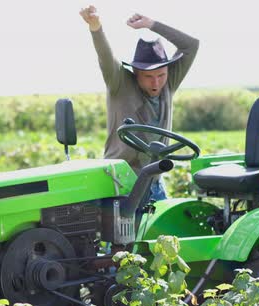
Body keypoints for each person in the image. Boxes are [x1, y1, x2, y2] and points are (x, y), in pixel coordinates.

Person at [79, 5, 199, 201]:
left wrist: (152, 24)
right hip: (121, 184)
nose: (156, 82)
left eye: (161, 75)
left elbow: (191, 45)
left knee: (164, 231)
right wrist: (96, 27)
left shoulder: (170, 82)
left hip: (155, 184)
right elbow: (106, 57)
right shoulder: (120, 83)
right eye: (148, 76)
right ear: (135, 72)